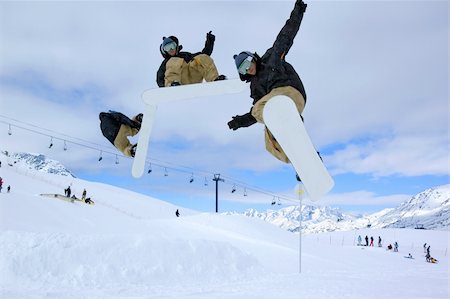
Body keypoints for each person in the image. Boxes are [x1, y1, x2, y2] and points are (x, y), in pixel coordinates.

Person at [228, 0, 308, 179]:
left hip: (290, 92)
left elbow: (286, 36)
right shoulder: (255, 88)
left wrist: (298, 11)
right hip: (275, 105)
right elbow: (258, 113)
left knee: (260, 108)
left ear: (253, 58)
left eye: (248, 63)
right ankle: (302, 162)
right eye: (243, 69)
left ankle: (292, 120)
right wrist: (241, 121)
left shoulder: (271, 59)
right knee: (270, 141)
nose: (248, 69)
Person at [157, 32, 226, 87]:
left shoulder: (185, 55)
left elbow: (203, 56)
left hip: (193, 77)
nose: (171, 49)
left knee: (200, 57)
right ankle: (172, 85)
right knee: (173, 60)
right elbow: (159, 78)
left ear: (176, 46)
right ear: (164, 51)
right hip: (180, 82)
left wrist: (209, 42)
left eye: (172, 46)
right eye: (167, 48)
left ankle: (214, 80)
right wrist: (164, 87)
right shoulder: (166, 62)